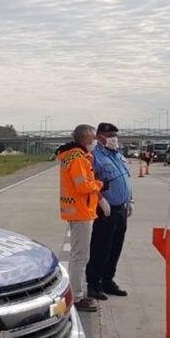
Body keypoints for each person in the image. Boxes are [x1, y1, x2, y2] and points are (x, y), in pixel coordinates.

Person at [55, 124, 104, 312]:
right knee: (80, 256)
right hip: (81, 211)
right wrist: (99, 184)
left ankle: (75, 293)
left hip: (79, 210)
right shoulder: (77, 158)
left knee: (79, 255)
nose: (95, 142)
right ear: (85, 139)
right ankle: (76, 296)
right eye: (94, 138)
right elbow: (83, 186)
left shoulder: (75, 156)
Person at [87, 122, 133, 301]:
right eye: (110, 135)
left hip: (121, 208)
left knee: (115, 247)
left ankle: (108, 280)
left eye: (115, 135)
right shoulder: (94, 156)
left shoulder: (118, 156)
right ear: (99, 137)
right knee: (101, 247)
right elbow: (90, 182)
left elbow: (126, 178)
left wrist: (131, 199)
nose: (114, 139)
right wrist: (101, 200)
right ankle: (93, 283)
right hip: (105, 209)